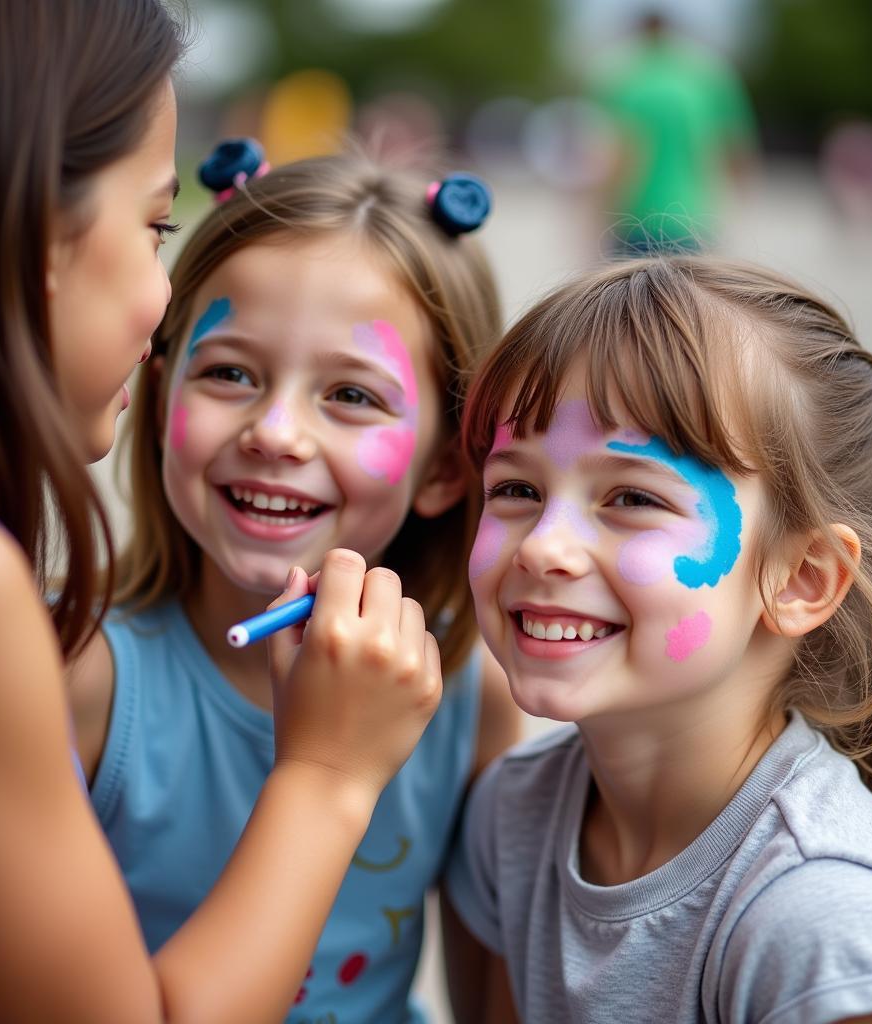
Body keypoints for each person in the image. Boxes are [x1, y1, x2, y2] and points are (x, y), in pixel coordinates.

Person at [0, 4, 445, 1022]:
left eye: (351, 393)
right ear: (38, 240)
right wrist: (330, 773)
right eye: (155, 226)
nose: (162, 298)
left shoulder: (475, 699)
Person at [443, 256, 872, 1023]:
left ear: (801, 579)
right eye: (517, 489)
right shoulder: (510, 817)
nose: (542, 547)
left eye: (630, 496)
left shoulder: (827, 926)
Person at [67, 145, 521, 1023]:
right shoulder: (78, 679)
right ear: (158, 401)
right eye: (230, 372)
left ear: (444, 467)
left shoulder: (469, 696)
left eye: (352, 395)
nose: (276, 432)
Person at [588, 11, 757, 255]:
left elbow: (614, 158)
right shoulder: (711, 80)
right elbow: (737, 151)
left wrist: (593, 221)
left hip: (634, 219)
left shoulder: (622, 82)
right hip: (694, 219)